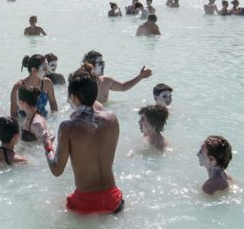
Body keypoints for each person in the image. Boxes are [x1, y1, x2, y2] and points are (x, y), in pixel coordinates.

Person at [42, 64, 124, 215]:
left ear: (73, 97)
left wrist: (47, 145)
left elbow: (56, 170)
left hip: (85, 202)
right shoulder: (112, 119)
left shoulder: (68, 127)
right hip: (113, 199)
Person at [83, 50, 152, 104]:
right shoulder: (80, 83)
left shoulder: (106, 81)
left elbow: (123, 87)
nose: (103, 66)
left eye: (103, 63)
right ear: (90, 65)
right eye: (100, 63)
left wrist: (140, 77)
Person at [10, 54, 58, 119]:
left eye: (47, 67)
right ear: (34, 70)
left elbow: (53, 103)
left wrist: (54, 119)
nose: (47, 70)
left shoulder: (47, 83)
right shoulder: (18, 87)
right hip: (25, 122)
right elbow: (13, 113)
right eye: (44, 68)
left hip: (43, 119)